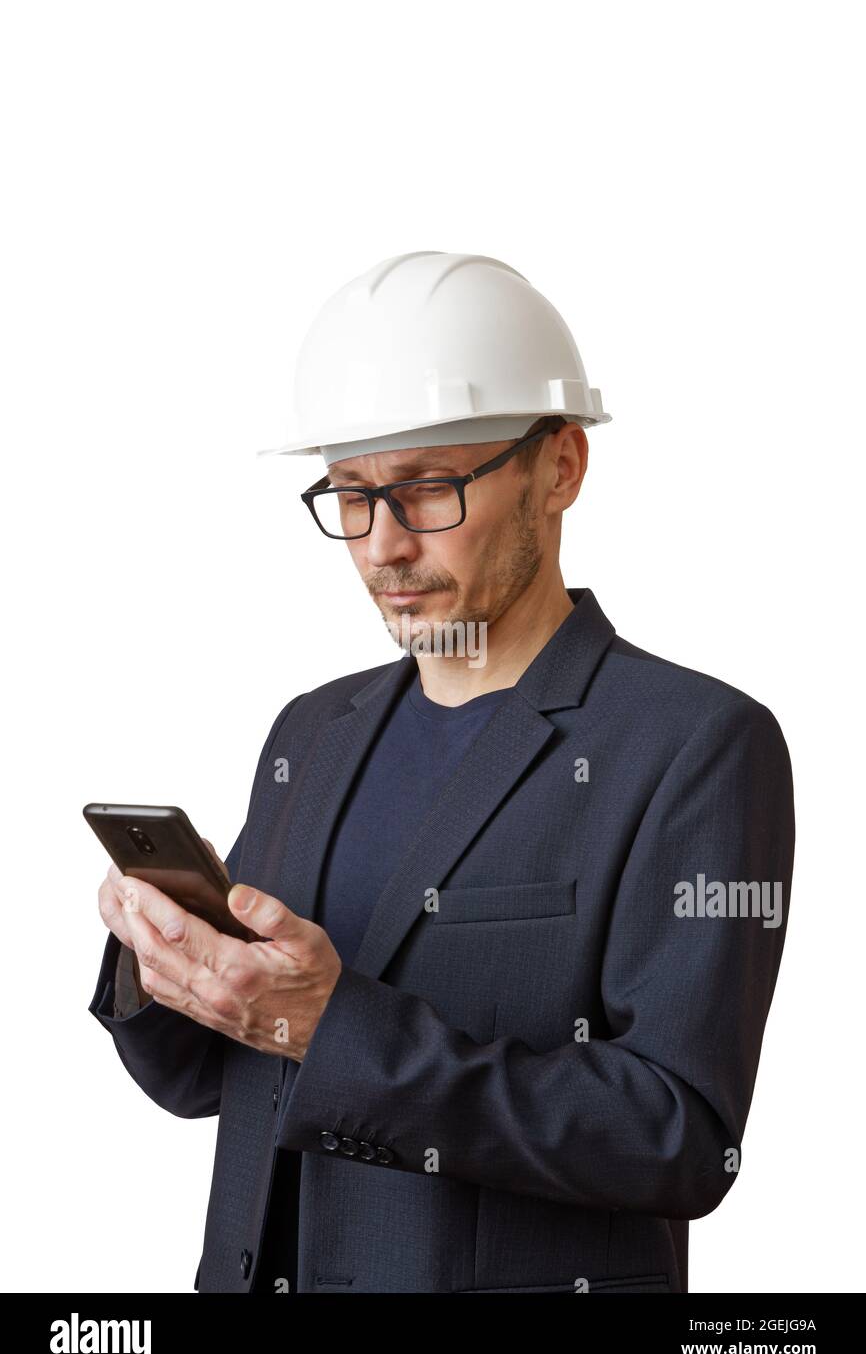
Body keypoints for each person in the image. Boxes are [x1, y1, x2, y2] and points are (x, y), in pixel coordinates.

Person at [88, 251, 794, 1294]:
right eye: (349, 495)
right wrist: (167, 969)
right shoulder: (313, 729)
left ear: (557, 466)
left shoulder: (692, 744)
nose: (381, 546)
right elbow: (211, 1082)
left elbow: (677, 1136)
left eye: (427, 489)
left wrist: (337, 1028)